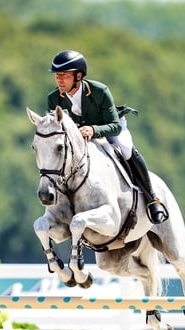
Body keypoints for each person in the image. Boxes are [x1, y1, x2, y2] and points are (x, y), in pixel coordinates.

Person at [47, 49, 169, 224]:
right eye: (57, 75)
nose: (59, 79)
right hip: (79, 139)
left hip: (108, 129)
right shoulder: (53, 99)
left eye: (64, 75)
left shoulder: (99, 91)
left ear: (78, 76)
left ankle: (152, 199)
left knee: (126, 149)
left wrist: (93, 130)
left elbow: (114, 126)